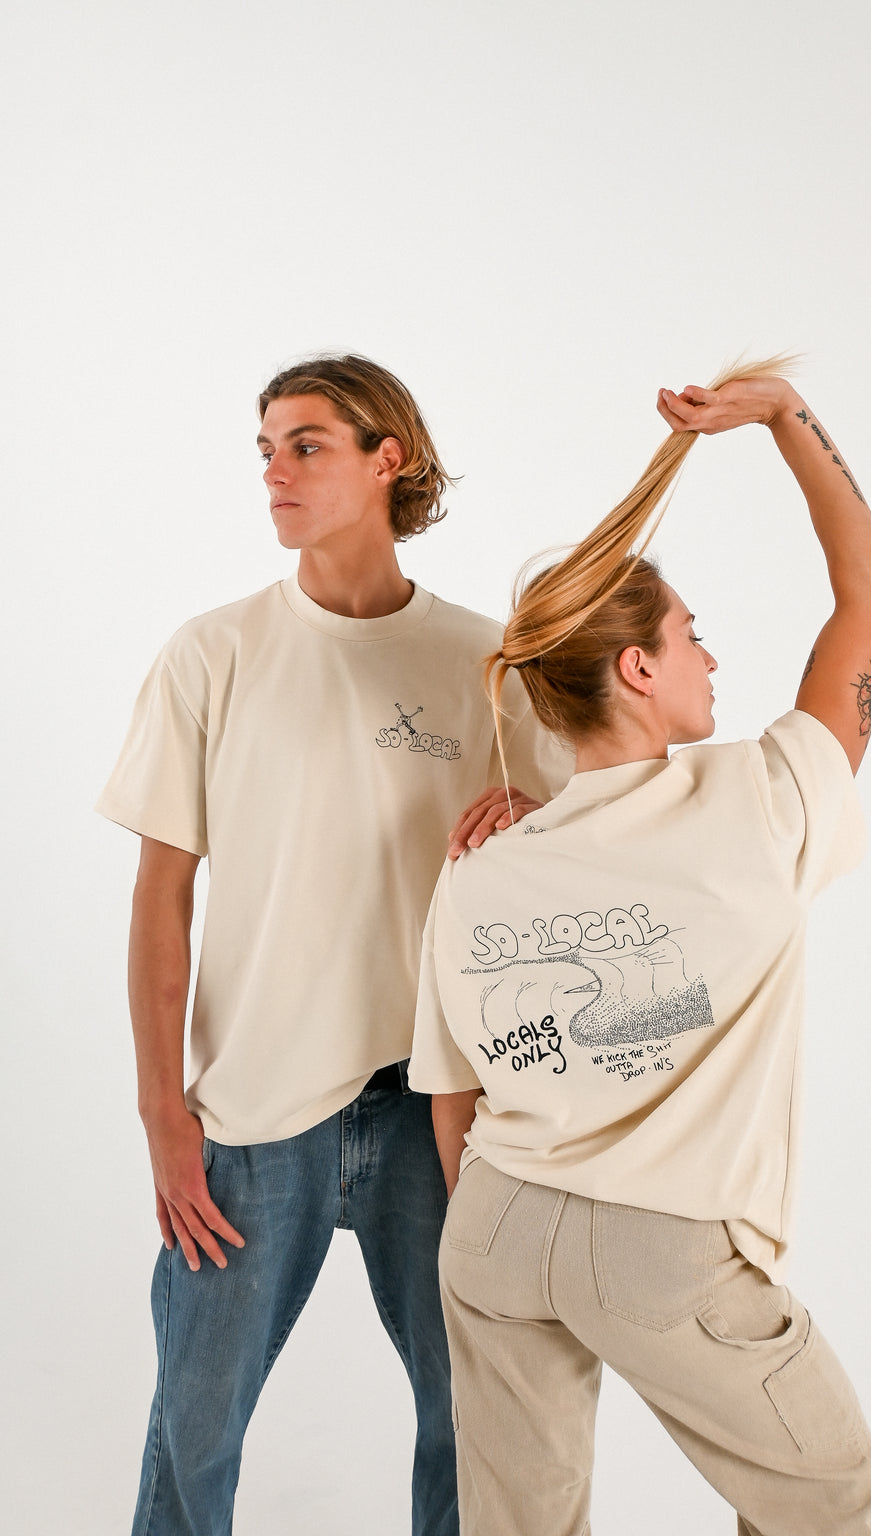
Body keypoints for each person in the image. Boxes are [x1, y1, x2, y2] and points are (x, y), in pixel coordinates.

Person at [410, 358, 871, 1536]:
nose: (712, 659)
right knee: (830, 1503)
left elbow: (452, 1099)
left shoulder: (481, 865)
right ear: (635, 668)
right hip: (662, 1252)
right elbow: (870, 598)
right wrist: (785, 415)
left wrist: (514, 1241)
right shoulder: (763, 798)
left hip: (492, 1229)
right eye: (692, 636)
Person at [97, 354, 566, 1536]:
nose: (274, 472)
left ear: (384, 459)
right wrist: (165, 1112)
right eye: (264, 449)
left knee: (476, 1416)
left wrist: (533, 818)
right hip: (256, 1112)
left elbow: (581, 854)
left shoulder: (486, 662)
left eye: (305, 445)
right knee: (195, 1427)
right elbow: (163, 899)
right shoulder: (215, 653)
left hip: (440, 1103)